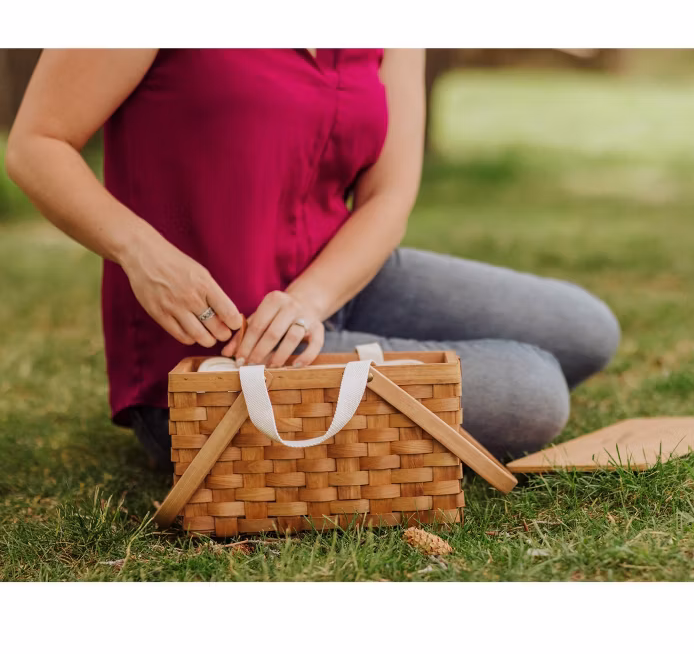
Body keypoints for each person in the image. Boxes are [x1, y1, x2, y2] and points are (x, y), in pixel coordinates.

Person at [5, 48, 620, 471]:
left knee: (585, 328)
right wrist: (140, 252)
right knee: (531, 394)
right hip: (219, 346)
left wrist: (311, 299)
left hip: (333, 279)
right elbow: (37, 144)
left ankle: (357, 349)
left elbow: (387, 197)